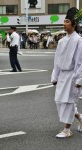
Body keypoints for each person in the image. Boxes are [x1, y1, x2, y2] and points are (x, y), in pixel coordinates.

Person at [51, 7, 82, 138]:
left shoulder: (79, 41)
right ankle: (80, 117)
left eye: (67, 21)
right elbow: (56, 60)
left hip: (72, 75)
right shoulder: (62, 41)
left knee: (69, 102)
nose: (64, 24)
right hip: (62, 74)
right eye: (64, 21)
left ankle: (67, 130)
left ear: (74, 24)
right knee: (60, 101)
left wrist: (79, 80)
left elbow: (80, 61)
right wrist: (54, 76)